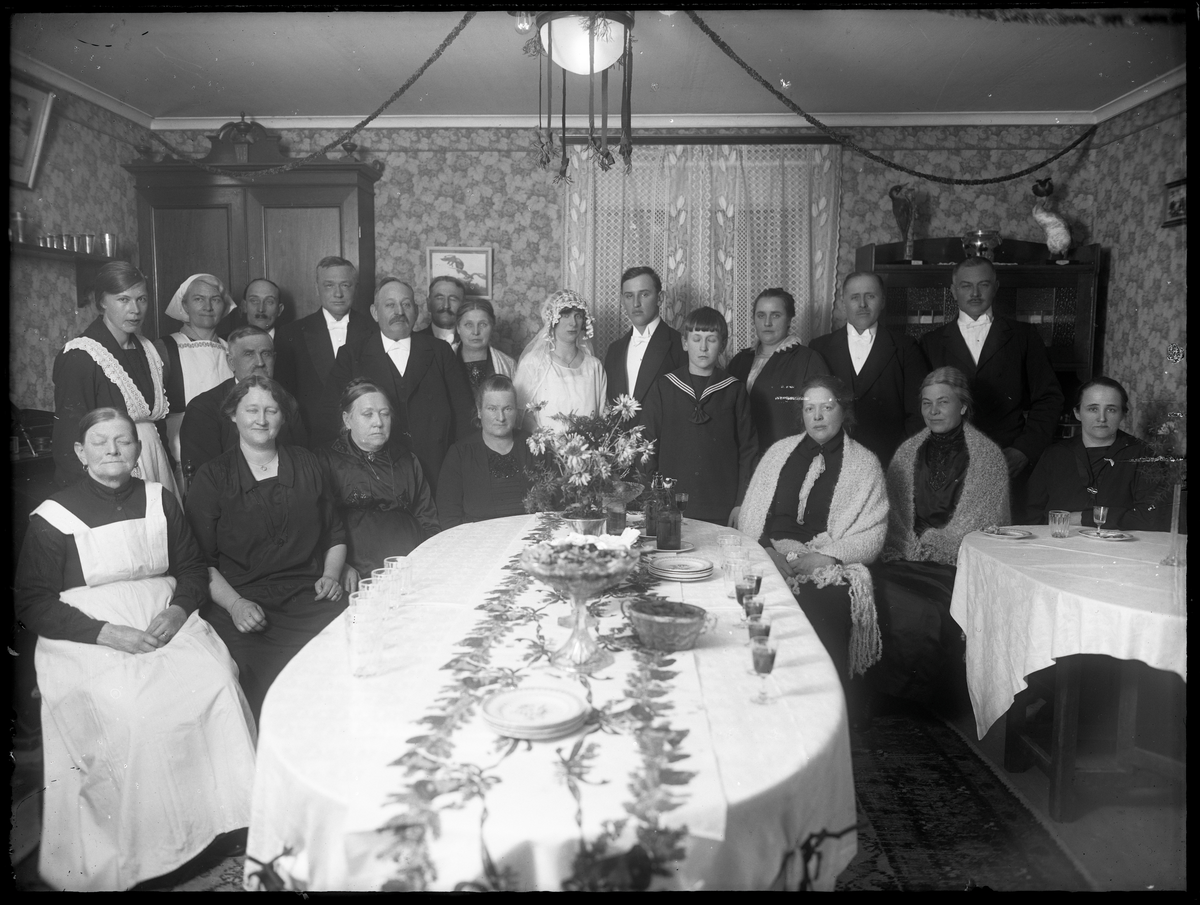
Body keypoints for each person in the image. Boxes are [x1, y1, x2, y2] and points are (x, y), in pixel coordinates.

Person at [16, 408, 255, 890]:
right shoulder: (53, 516)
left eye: (123, 441)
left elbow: (192, 568)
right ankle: (152, 850)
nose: (113, 450)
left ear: (138, 449)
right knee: (137, 711)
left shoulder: (159, 499)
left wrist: (177, 610)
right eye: (100, 442)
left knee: (217, 684)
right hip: (87, 634)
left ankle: (222, 824)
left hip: (162, 615)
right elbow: (32, 602)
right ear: (81, 453)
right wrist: (108, 633)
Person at [185, 376, 347, 719]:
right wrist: (236, 606)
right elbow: (201, 562)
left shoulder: (308, 463)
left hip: (309, 596)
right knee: (261, 682)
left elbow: (335, 533)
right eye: (252, 410)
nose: (261, 419)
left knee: (342, 662)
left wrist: (332, 575)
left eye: (271, 410)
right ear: (233, 414)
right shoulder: (213, 477)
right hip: (244, 604)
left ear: (283, 417)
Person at [867, 367, 1010, 706]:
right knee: (871, 589)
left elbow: (984, 523)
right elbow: (892, 515)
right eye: (926, 403)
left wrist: (936, 542)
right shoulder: (906, 452)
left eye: (943, 402)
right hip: (901, 555)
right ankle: (876, 691)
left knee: (924, 609)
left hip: (954, 565)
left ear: (963, 406)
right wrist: (910, 545)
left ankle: (919, 700)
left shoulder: (988, 457)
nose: (933, 411)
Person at [737, 375, 888, 688]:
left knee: (819, 604)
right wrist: (767, 553)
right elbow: (752, 515)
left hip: (825, 563)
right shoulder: (778, 453)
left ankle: (818, 696)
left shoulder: (865, 464)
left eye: (827, 407)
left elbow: (871, 534)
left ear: (843, 410)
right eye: (809, 408)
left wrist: (826, 558)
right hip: (771, 553)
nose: (817, 416)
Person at [919, 257, 1063, 485]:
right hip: (948, 463)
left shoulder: (1023, 336)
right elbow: (921, 406)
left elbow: (1049, 398)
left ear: (995, 287)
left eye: (983, 285)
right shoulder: (930, 342)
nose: (975, 293)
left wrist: (1024, 450)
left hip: (1009, 460)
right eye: (966, 286)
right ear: (954, 291)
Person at [329, 277, 476, 494]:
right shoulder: (351, 355)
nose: (399, 312)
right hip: (372, 475)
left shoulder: (440, 351)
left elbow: (465, 416)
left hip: (436, 472)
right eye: (390, 305)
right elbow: (333, 419)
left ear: (416, 311)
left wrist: (459, 469)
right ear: (375, 312)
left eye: (406, 304)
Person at [51, 262, 178, 499]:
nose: (135, 310)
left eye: (141, 299)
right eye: (123, 299)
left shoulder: (148, 349)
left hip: (156, 464)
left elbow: (158, 426)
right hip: (110, 476)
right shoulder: (81, 356)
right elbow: (68, 441)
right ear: (102, 302)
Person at [642, 306, 758, 525]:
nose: (703, 347)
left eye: (711, 340)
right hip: (669, 502)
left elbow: (748, 451)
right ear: (685, 343)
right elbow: (647, 446)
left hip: (721, 504)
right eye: (696, 339)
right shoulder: (664, 388)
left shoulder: (734, 390)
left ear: (722, 345)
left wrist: (741, 502)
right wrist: (654, 496)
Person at [319, 379, 440, 588]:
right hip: (357, 573)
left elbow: (428, 520)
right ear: (347, 420)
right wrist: (339, 566)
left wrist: (429, 562)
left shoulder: (407, 459)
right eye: (368, 414)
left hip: (411, 567)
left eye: (385, 414)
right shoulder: (326, 460)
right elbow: (319, 526)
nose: (378, 422)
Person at [810, 272, 928, 466]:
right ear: (843, 302)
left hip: (890, 462)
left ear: (882, 301)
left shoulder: (906, 347)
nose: (862, 304)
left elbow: (918, 413)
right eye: (855, 297)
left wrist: (900, 458)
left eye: (870, 296)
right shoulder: (819, 348)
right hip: (832, 461)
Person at [1026, 376, 1171, 531]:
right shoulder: (1055, 454)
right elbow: (1032, 514)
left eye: (1111, 409)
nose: (1102, 418)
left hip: (1120, 545)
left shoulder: (1144, 455)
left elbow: (1151, 518)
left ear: (1123, 414)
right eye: (1093, 409)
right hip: (1059, 542)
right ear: (1077, 413)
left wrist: (1082, 518)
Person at [179, 325, 306, 478]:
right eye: (249, 354)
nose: (260, 362)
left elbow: (301, 463)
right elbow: (205, 478)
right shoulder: (204, 408)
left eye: (266, 354)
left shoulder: (287, 401)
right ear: (231, 362)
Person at [273, 256, 372, 448]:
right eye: (329, 285)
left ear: (356, 288)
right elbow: (285, 397)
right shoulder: (291, 333)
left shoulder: (374, 330)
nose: (338, 293)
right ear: (317, 287)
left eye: (345, 285)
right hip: (311, 440)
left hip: (363, 438)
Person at [727, 288, 831, 452]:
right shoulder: (739, 361)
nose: (767, 323)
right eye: (761, 315)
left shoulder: (807, 360)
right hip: (743, 457)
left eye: (775, 315)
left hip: (786, 457)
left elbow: (822, 418)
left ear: (789, 320)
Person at [156, 274, 238, 477]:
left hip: (228, 448)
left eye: (215, 299)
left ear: (224, 306)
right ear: (185, 305)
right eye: (198, 299)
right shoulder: (165, 347)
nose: (208, 307)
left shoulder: (232, 349)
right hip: (181, 451)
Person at [437, 374, 537, 529]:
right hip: (477, 541)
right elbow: (449, 518)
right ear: (479, 411)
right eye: (492, 409)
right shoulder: (460, 454)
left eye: (507, 409)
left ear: (516, 411)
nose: (501, 417)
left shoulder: (534, 446)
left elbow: (555, 506)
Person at [514, 289, 608, 433]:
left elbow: (602, 414)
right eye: (565, 315)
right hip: (546, 445)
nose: (573, 323)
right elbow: (522, 413)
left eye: (578, 316)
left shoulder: (594, 366)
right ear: (553, 319)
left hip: (588, 445)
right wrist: (546, 442)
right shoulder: (534, 363)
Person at [602, 265, 687, 406]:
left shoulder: (680, 345)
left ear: (660, 298)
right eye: (629, 296)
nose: (636, 303)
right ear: (622, 300)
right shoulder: (614, 350)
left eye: (644, 294)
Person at [455, 298, 517, 392]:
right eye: (468, 325)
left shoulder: (508, 364)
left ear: (492, 326)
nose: (476, 332)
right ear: (458, 328)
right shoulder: (442, 361)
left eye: (483, 324)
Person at [415, 275, 468, 347]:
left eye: (453, 299)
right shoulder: (414, 342)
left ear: (463, 305)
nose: (446, 306)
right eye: (439, 298)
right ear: (429, 304)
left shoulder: (472, 342)